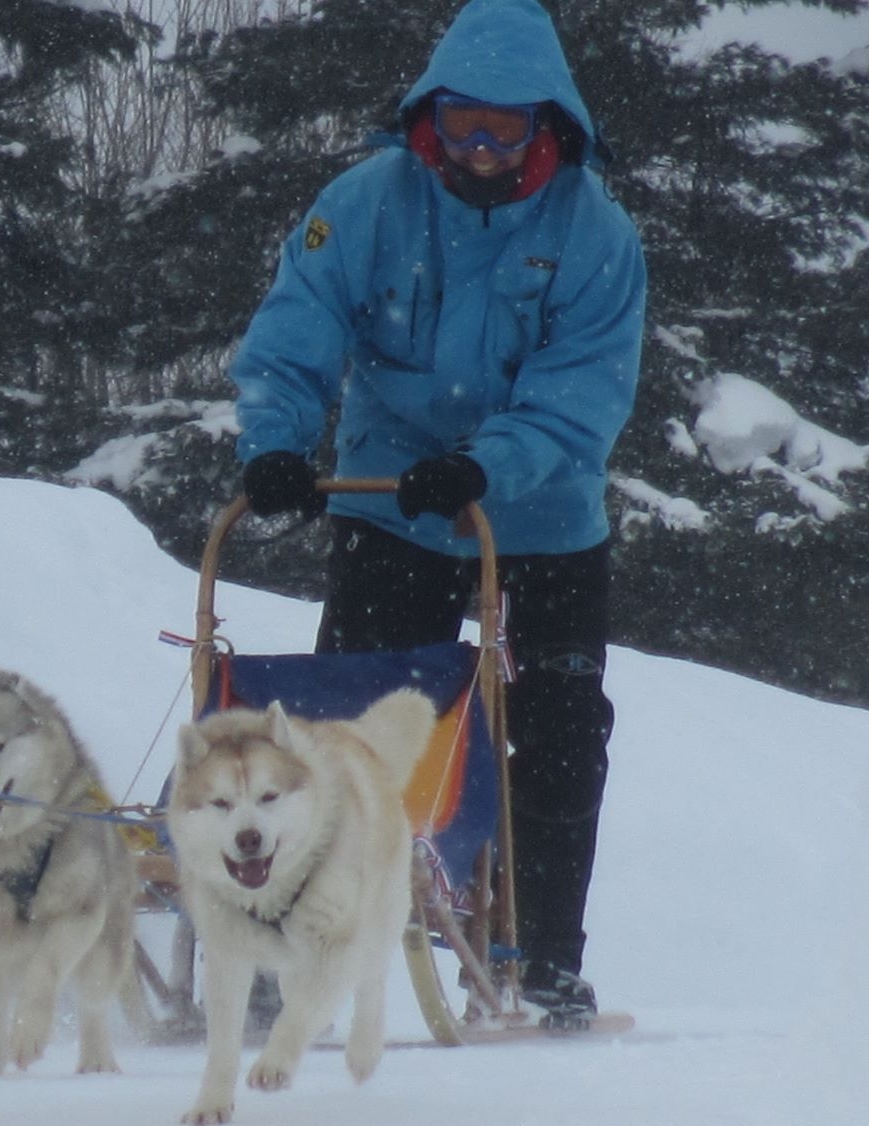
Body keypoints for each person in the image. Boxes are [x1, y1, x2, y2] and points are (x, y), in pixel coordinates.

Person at [227, 0, 646, 1030]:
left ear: (548, 125)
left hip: (541, 518)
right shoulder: (365, 203)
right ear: (430, 116)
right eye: (463, 124)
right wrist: (277, 444)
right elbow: (296, 327)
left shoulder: (595, 234)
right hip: (392, 504)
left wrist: (482, 466)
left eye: (505, 128)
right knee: (350, 728)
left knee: (555, 735)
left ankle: (542, 961)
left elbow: (582, 392)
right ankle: (296, 945)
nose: (482, 149)